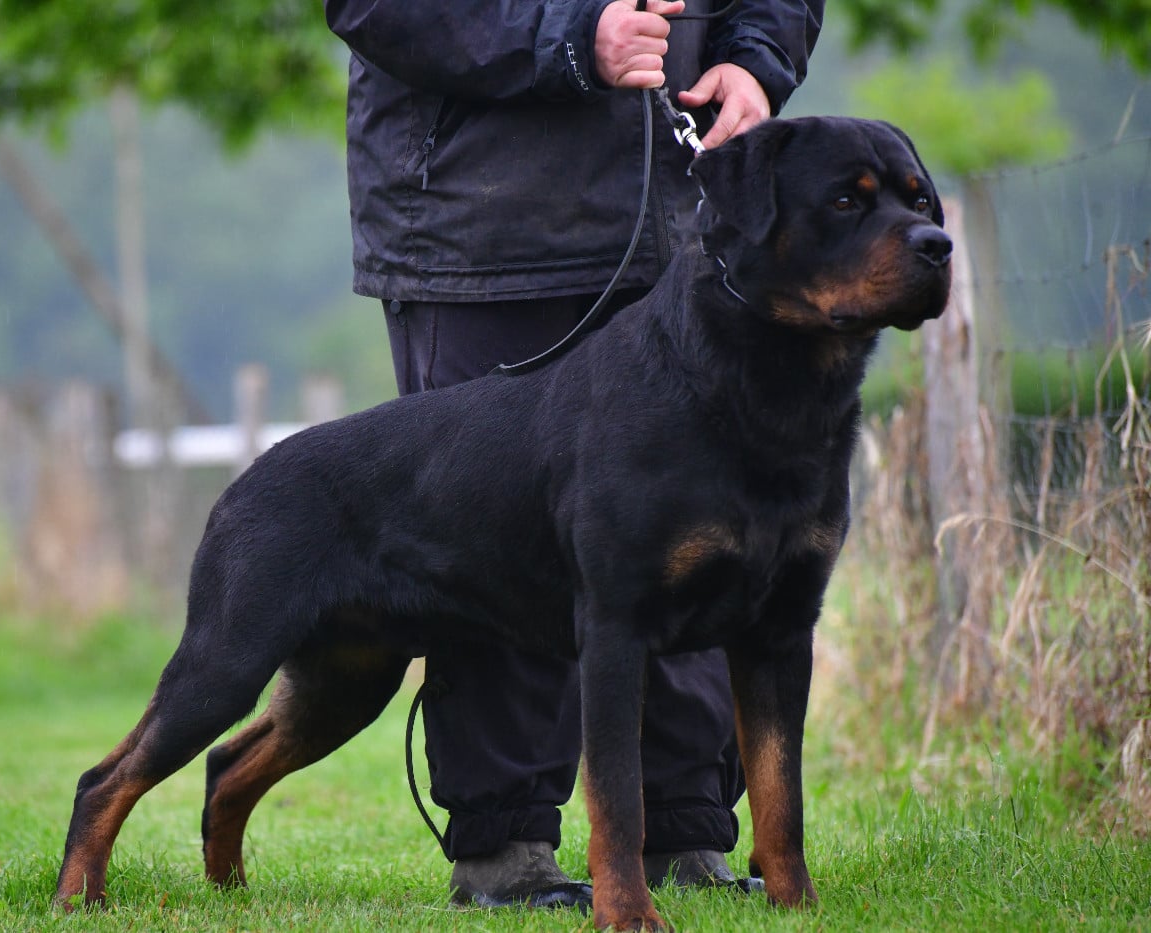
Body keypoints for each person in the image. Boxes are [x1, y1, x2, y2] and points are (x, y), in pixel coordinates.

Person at [324, 0, 824, 909]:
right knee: (486, 549)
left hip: (678, 226)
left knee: (700, 537)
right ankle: (505, 848)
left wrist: (755, 62)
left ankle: (685, 832)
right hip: (475, 234)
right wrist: (568, 39)